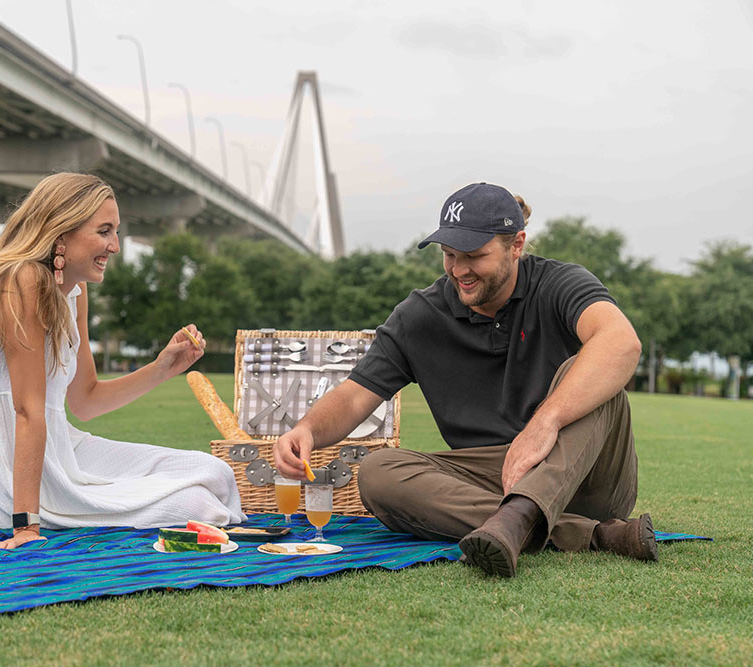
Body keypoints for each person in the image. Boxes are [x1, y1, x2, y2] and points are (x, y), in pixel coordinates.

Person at [274, 182, 655, 577]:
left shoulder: (560, 283)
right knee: (378, 472)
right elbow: (355, 396)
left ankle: (524, 520)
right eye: (449, 255)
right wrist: (307, 431)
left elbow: (621, 342)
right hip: (492, 478)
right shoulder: (419, 315)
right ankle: (586, 535)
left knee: (589, 371)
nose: (459, 270)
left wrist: (546, 422)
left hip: (586, 474)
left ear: (517, 245)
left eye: (473, 256)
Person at [0, 172, 244, 549]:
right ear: (61, 233)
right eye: (104, 231)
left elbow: (86, 401)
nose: (115, 246)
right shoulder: (20, 279)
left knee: (216, 473)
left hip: (60, 446)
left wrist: (162, 368)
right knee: (197, 505)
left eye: (117, 232)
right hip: (9, 461)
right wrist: (25, 526)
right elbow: (27, 410)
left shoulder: (73, 291)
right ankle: (50, 509)